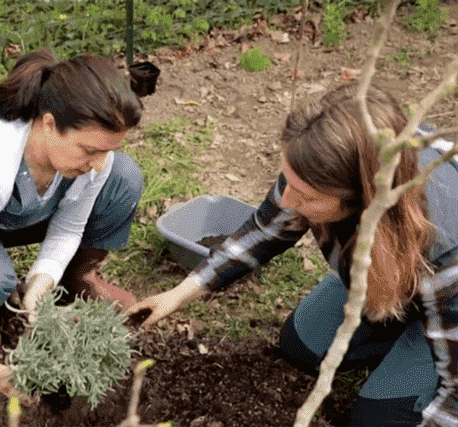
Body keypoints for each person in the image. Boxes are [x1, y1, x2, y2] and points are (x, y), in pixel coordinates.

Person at [128, 83, 458, 426]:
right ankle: (397, 332)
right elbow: (266, 229)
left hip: (450, 300)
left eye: (306, 197)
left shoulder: (445, 247)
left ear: (360, 198)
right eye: (289, 183)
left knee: (375, 420)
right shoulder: (318, 163)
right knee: (300, 345)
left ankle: (419, 343)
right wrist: (179, 294)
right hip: (400, 278)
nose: (286, 203)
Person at [0, 49, 144, 397]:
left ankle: (78, 277)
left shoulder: (91, 160)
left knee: (124, 177)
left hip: (23, 216)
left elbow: (67, 228)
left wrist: (39, 284)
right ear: (48, 125)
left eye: (107, 150)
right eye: (90, 150)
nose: (98, 163)